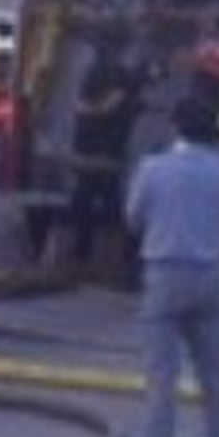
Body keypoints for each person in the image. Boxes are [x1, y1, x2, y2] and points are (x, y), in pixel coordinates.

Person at [118, 87, 219, 437]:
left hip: (164, 274)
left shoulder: (154, 169)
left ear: (174, 126)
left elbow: (133, 218)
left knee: (161, 387)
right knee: (218, 387)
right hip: (211, 277)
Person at [63, 48, 145, 277]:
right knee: (105, 202)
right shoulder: (117, 85)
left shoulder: (97, 80)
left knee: (88, 200)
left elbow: (98, 108)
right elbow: (108, 107)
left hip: (92, 154)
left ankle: (86, 252)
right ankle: (112, 255)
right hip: (103, 155)